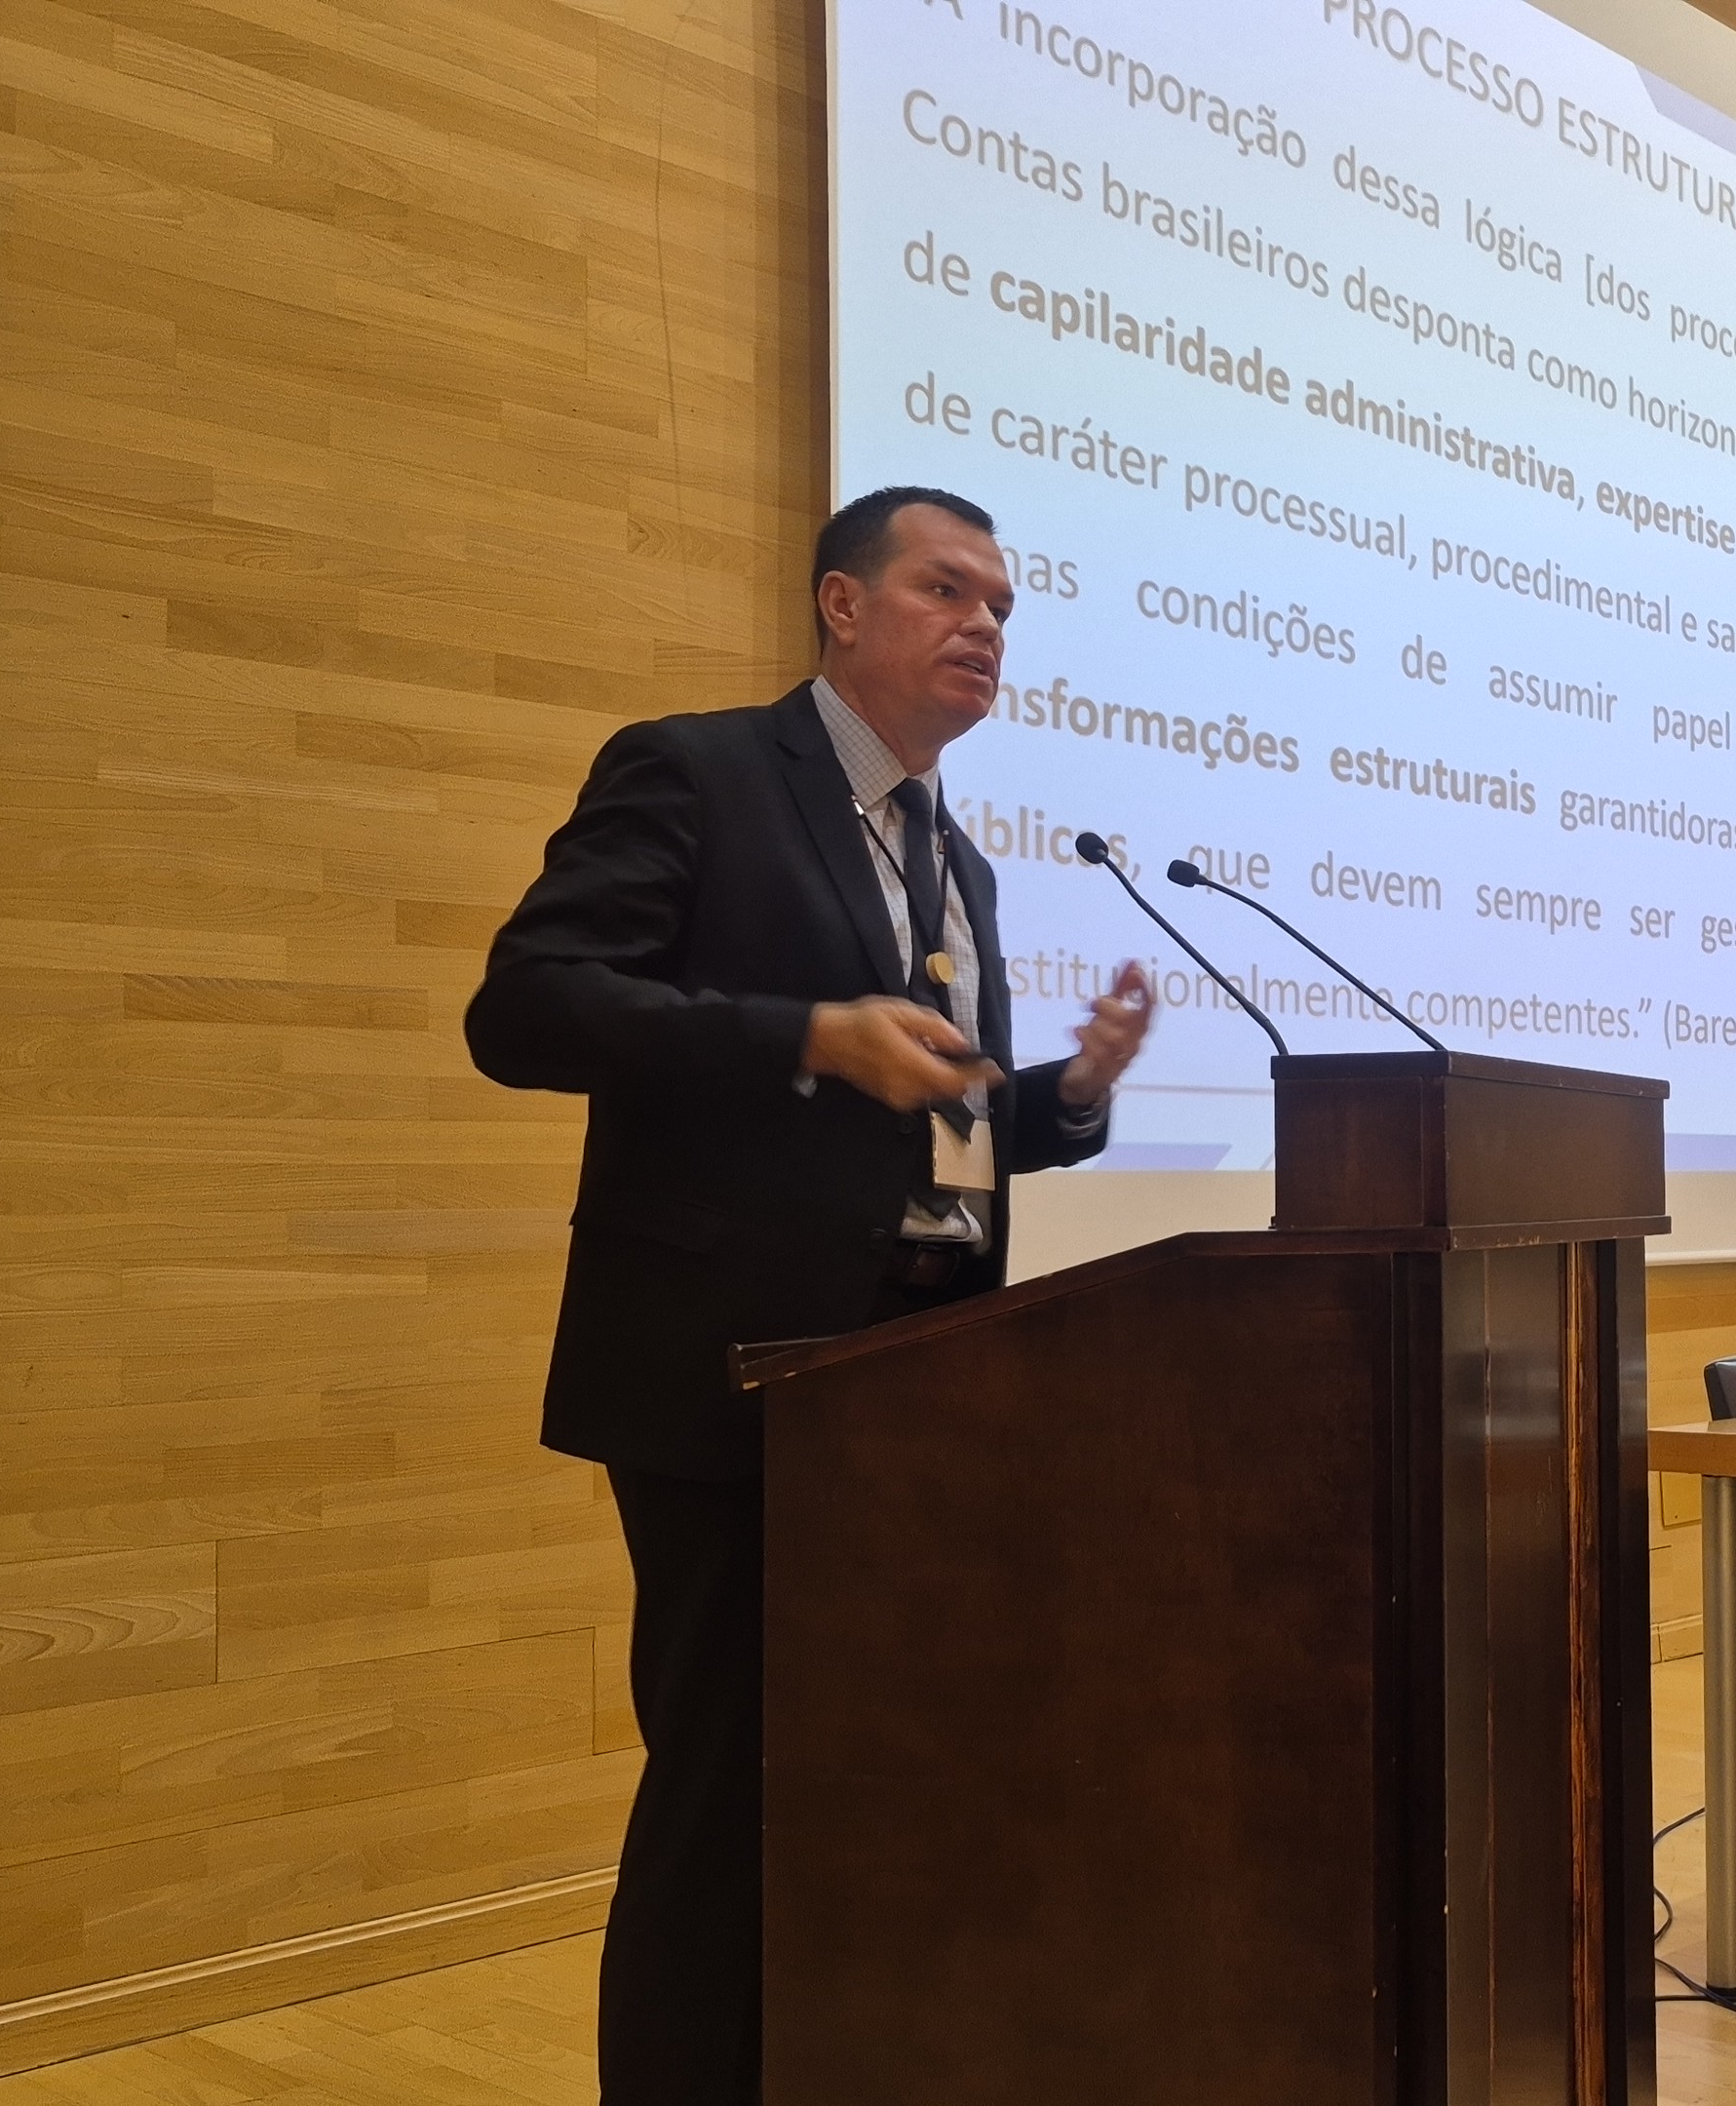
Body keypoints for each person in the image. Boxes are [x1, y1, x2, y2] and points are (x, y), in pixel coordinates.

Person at [462, 487, 1155, 2105]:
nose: (986, 623)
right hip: (733, 1380)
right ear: (843, 607)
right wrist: (802, 1033)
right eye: (948, 589)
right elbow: (529, 1007)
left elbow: (938, 1134)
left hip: (919, 1384)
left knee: (874, 1782)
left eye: (1004, 603)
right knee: (726, 1789)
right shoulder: (697, 771)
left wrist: (1070, 1094)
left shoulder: (957, 861)